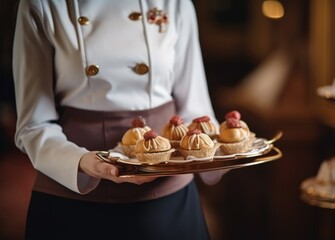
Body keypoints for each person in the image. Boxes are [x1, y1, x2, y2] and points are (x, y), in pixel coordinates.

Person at [13, 0, 224, 239]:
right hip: (73, 193)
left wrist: (225, 151)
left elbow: (195, 111)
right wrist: (83, 162)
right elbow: (32, 125)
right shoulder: (41, 4)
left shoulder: (176, 4)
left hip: (167, 195)